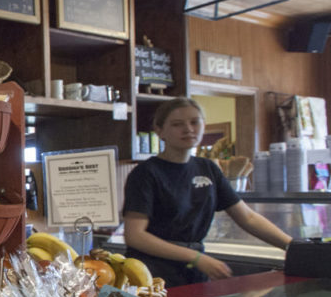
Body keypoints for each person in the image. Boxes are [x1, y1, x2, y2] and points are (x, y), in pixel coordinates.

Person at [122, 97, 292, 285]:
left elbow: (247, 217)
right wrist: (196, 257)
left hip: (192, 271)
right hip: (151, 273)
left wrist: (293, 246)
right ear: (160, 130)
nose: (188, 129)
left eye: (195, 122)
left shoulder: (208, 169)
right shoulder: (146, 173)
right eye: (177, 124)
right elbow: (135, 236)